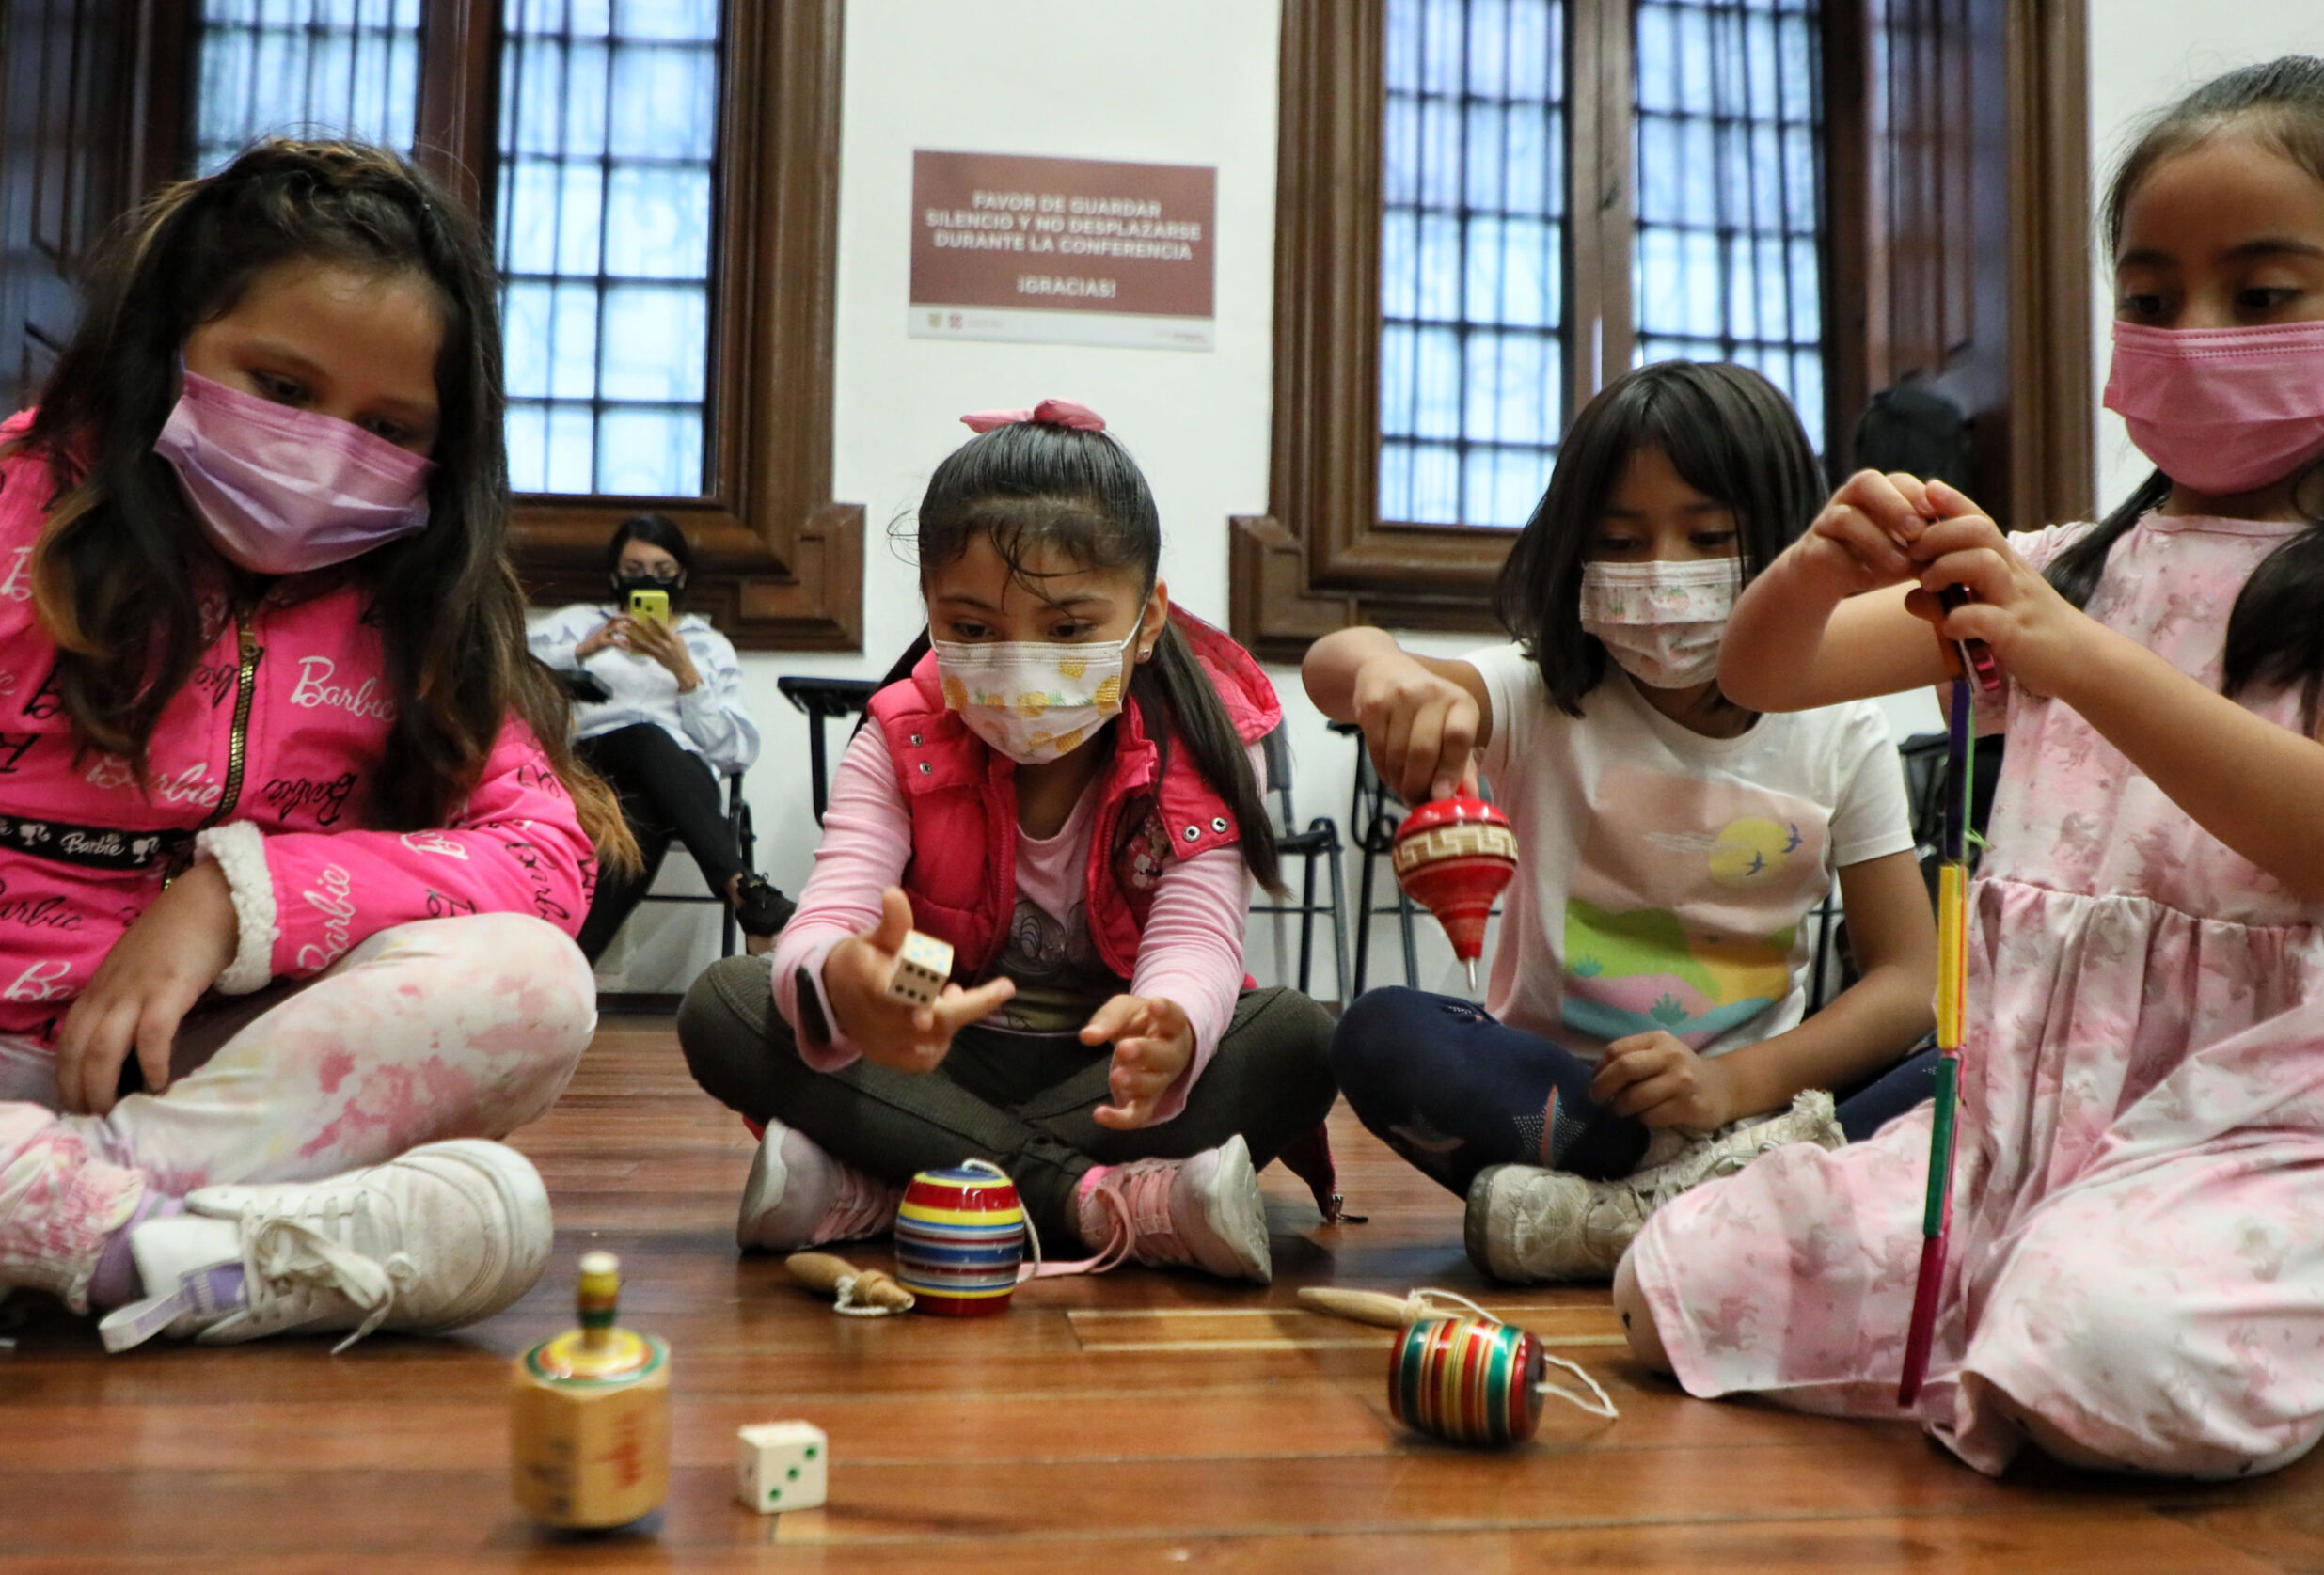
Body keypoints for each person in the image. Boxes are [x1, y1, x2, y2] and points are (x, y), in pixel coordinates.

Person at [1618, 56, 2324, 1479]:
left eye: (2265, 294)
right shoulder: (2070, 565)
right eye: (2152, 297)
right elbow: (1757, 675)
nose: (2194, 331)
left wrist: (2068, 649)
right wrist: (1812, 566)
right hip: (2020, 1134)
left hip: (2275, 1126)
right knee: (1681, 1278)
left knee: (2091, 1339)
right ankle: (2102, 1287)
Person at [0, 140, 624, 1352]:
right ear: (167, 342)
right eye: (281, 389)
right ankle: (195, 1260)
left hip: (219, 1079)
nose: (326, 450)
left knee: (535, 986)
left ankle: (72, 1218)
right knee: (474, 1215)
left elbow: (546, 858)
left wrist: (236, 900)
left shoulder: (416, 602)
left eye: (389, 426)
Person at [1303, 361, 1937, 1282]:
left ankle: (1615, 1220)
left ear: (1794, 549)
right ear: (1575, 554)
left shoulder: (1841, 726)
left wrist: (1730, 1085)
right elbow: (1331, 665)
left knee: (1965, 1072)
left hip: (1760, 1107)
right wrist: (1377, 666)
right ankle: (1715, 1205)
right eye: (1620, 542)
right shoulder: (1533, 696)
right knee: (1379, 1033)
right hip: (1564, 1108)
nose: (1661, 574)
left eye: (1709, 535)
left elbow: (1909, 978)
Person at [677, 401, 1336, 1282]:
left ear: (1147, 621)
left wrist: (1170, 1022)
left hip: (1100, 1076)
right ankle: (1107, 1204)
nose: (1021, 665)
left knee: (1295, 1037)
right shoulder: (900, 734)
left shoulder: (1201, 749)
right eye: (976, 630)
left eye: (1068, 630)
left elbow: (1197, 939)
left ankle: (889, 1186)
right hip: (934, 1051)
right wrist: (846, 983)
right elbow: (833, 914)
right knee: (728, 1001)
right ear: (929, 612)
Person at [528, 513, 795, 959]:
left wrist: (685, 673)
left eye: (662, 572)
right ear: (615, 575)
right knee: (644, 736)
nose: (647, 580)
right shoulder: (577, 623)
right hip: (589, 768)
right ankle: (747, 890)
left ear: (682, 577)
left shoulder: (707, 645)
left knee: (645, 809)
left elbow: (735, 752)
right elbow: (508, 675)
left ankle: (567, 967)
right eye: (633, 571)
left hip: (676, 784)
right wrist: (583, 649)